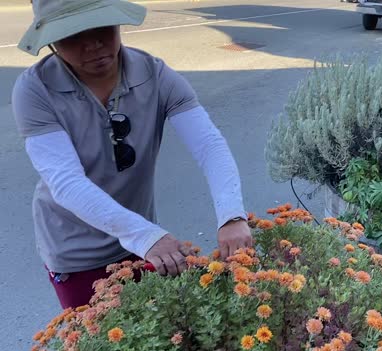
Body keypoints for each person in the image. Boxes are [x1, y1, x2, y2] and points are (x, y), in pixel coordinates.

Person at [12, 0, 254, 309]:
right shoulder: (35, 90)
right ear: (52, 41)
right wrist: (146, 236)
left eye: (102, 27)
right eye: (73, 35)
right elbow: (66, 182)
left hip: (144, 243)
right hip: (77, 253)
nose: (93, 45)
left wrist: (232, 216)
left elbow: (209, 145)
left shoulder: (154, 73)